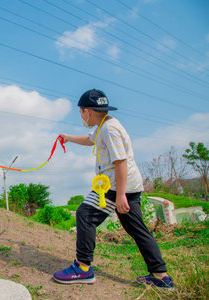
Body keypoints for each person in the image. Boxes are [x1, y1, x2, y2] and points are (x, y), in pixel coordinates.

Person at [53, 89, 174, 290]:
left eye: (81, 112)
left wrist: (120, 196)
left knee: (85, 214)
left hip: (117, 186)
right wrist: (68, 137)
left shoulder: (109, 130)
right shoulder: (103, 125)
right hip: (128, 186)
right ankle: (160, 276)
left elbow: (120, 162)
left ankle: (82, 269)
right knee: (137, 229)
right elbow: (89, 139)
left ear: (87, 112)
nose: (81, 116)